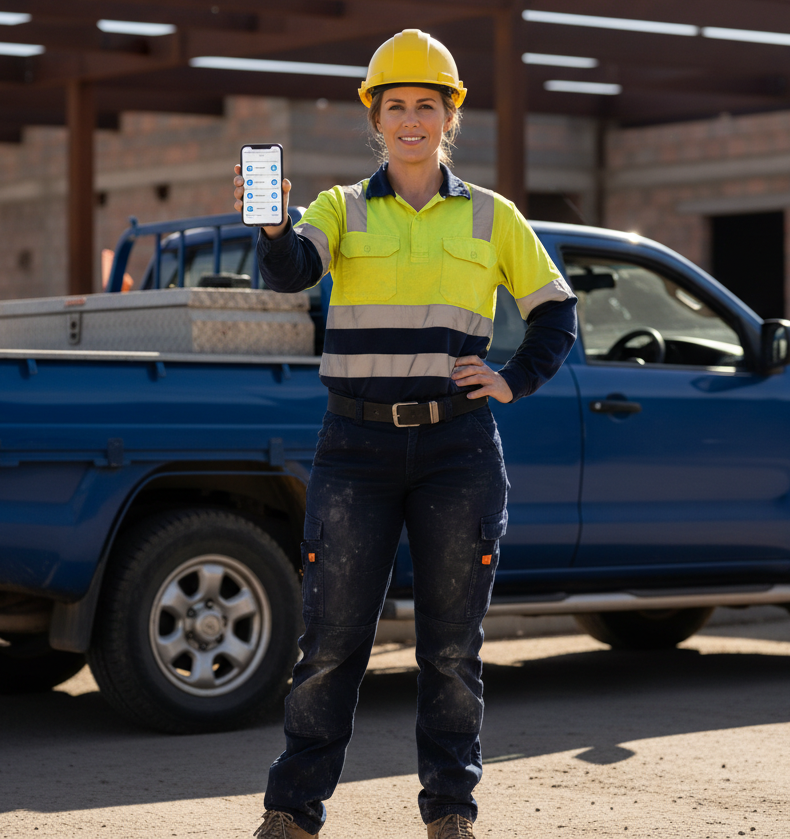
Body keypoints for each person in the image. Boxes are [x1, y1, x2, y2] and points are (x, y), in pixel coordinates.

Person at [236, 29, 578, 839]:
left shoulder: (494, 218)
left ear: (449, 116)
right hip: (354, 451)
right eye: (397, 106)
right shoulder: (338, 208)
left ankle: (450, 809)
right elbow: (288, 276)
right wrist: (276, 229)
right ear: (376, 118)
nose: (412, 119)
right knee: (330, 644)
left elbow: (555, 312)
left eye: (428, 104)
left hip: (457, 450)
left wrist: (511, 378)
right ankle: (292, 811)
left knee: (452, 649)